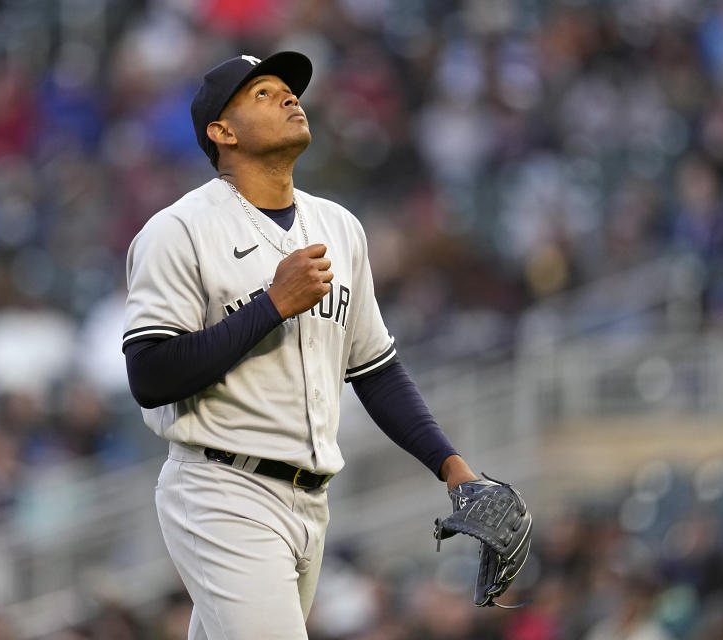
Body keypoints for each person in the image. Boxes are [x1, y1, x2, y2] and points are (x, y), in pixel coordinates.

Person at [122, 51, 480, 640]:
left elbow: (376, 369)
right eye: (264, 93)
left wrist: (452, 466)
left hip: (311, 503)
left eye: (289, 89)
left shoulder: (339, 226)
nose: (290, 97)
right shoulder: (180, 230)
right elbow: (150, 373)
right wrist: (272, 305)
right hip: (222, 489)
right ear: (222, 131)